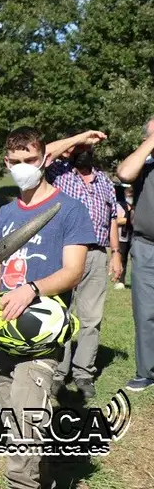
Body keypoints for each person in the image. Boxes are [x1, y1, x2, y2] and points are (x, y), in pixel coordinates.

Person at [0, 126, 94, 489]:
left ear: (44, 158)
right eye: (15, 162)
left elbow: (74, 271)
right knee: (13, 413)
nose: (23, 167)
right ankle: (41, 480)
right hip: (4, 331)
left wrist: (32, 290)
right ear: (6, 163)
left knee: (28, 413)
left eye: (30, 160)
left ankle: (22, 484)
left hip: (43, 331)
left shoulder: (70, 209)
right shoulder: (5, 213)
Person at [37, 130, 119, 401]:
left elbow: (112, 220)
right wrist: (78, 138)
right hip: (64, 253)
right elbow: (43, 154)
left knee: (91, 317)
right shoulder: (59, 173)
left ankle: (84, 372)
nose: (83, 150)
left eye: (88, 147)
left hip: (96, 254)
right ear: (71, 149)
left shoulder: (105, 182)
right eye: (78, 147)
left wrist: (116, 252)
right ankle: (57, 372)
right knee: (61, 314)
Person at [115, 115, 154, 392]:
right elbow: (125, 173)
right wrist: (151, 143)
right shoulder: (143, 164)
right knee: (146, 312)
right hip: (147, 246)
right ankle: (147, 371)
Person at [115, 183, 134, 290]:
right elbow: (117, 220)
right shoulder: (119, 205)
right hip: (121, 237)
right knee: (122, 259)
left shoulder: (133, 205)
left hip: (132, 236)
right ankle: (121, 281)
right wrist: (131, 220)